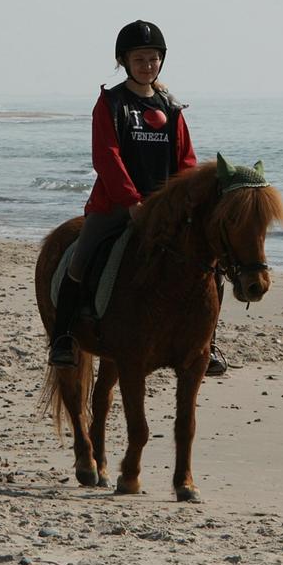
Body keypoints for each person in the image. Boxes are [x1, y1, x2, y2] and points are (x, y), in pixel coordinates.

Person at [49, 19, 229, 376]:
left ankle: (208, 340)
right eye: (139, 59)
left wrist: (185, 201)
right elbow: (107, 156)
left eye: (153, 59)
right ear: (124, 62)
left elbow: (187, 162)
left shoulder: (172, 107)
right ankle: (64, 337)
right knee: (81, 260)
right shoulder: (111, 103)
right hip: (115, 206)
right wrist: (132, 203)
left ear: (161, 60)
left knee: (214, 266)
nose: (147, 66)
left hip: (165, 211)